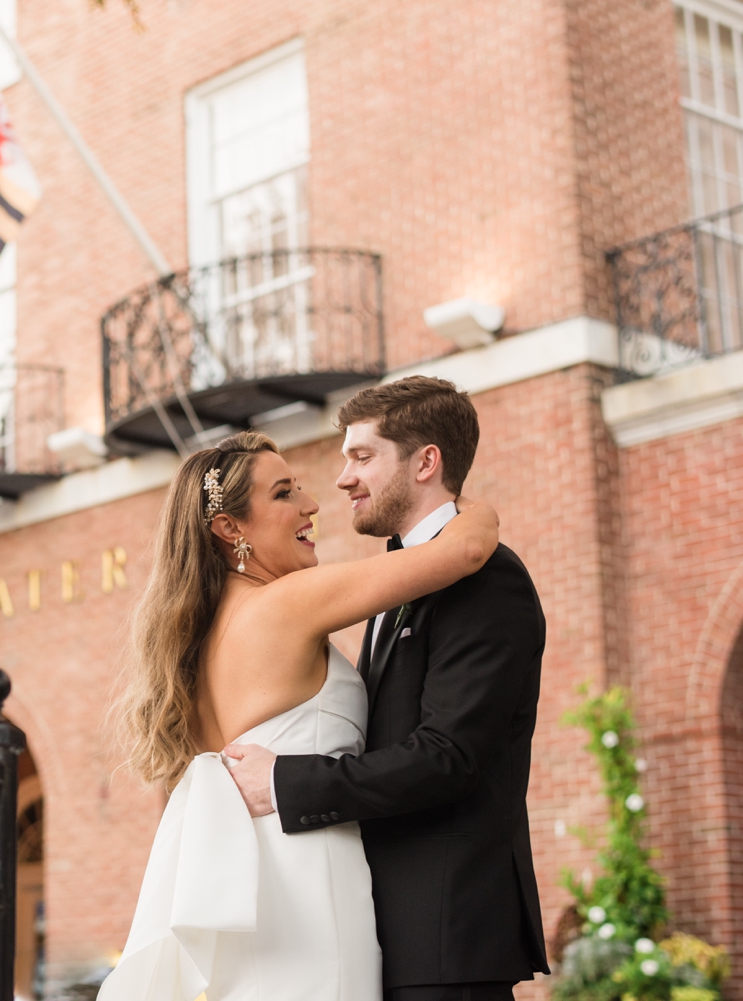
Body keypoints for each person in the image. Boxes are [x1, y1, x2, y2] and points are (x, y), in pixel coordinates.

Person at [101, 415, 501, 1001]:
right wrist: (473, 506)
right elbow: (465, 550)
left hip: (243, 892)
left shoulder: (187, 649)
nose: (311, 503)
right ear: (228, 526)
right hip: (308, 886)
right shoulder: (284, 605)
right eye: (285, 493)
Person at [224, 376, 549, 1001]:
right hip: (384, 935)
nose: (342, 478)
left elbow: (447, 758)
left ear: (427, 461)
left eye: (362, 456)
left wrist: (284, 782)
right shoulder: (401, 578)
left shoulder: (488, 581)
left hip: (445, 939)